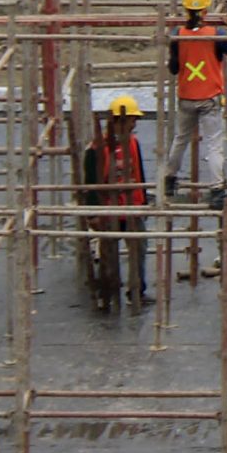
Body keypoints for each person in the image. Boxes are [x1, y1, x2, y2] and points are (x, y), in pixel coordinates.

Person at [161, 0, 227, 206]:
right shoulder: (216, 34)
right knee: (214, 144)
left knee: (180, 140)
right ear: (206, 11)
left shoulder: (177, 34)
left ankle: (169, 179)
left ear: (186, 10)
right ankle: (217, 190)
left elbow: (173, 68)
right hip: (209, 99)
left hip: (187, 98)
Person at [78, 97, 151, 311]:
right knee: (108, 254)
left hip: (132, 209)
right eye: (131, 120)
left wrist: (143, 202)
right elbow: (90, 184)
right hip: (109, 211)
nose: (134, 124)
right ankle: (106, 292)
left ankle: (137, 290)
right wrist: (93, 215)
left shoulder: (133, 143)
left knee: (139, 248)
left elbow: (139, 173)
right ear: (119, 120)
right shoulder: (96, 149)